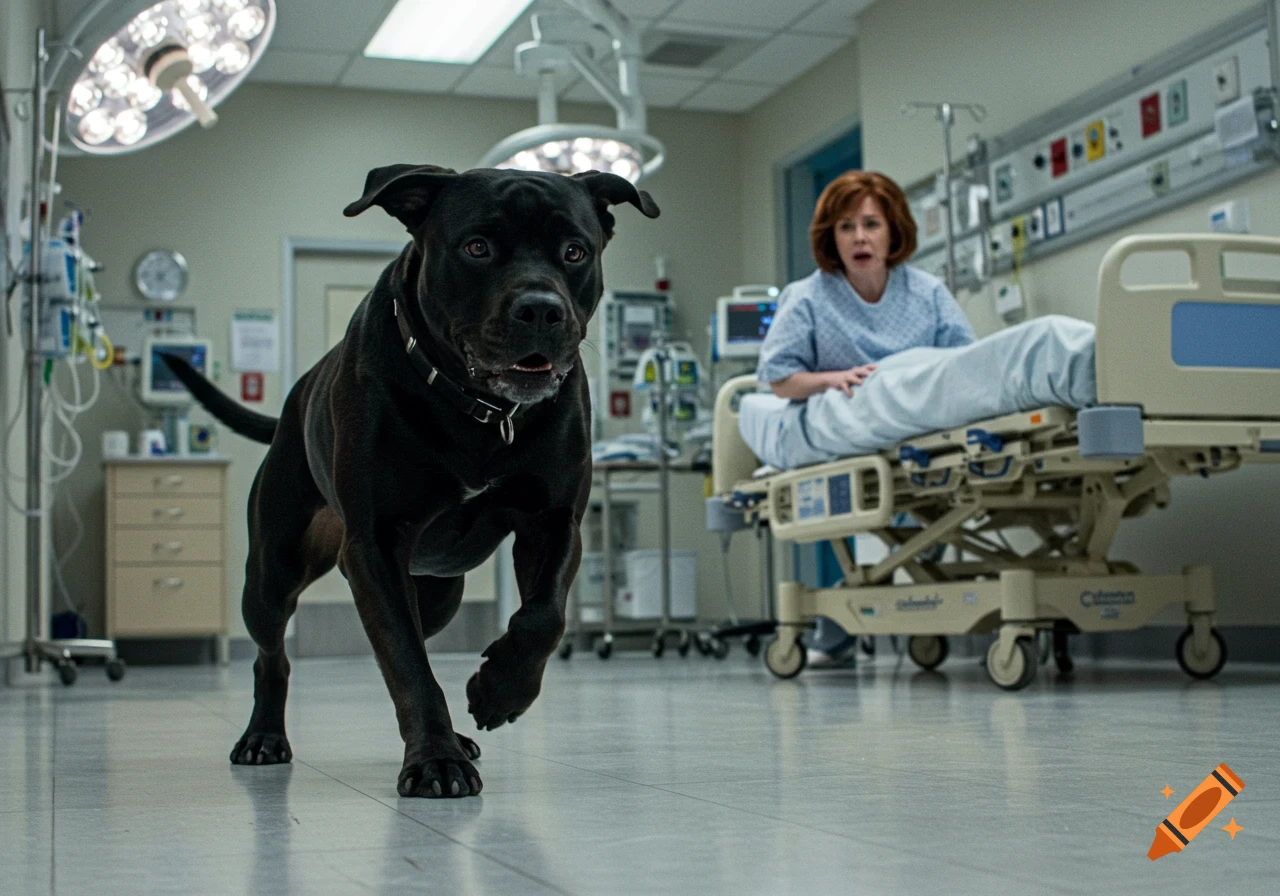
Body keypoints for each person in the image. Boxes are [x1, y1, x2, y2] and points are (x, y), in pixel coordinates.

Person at [756, 170, 977, 667]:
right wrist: (831, 380)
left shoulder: (928, 293)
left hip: (923, 429)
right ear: (830, 238)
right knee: (901, 529)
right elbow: (778, 378)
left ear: (893, 231)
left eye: (872, 224)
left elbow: (966, 364)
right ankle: (843, 621)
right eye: (846, 226)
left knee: (926, 527)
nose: (860, 237)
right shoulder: (810, 296)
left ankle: (850, 621)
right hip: (853, 428)